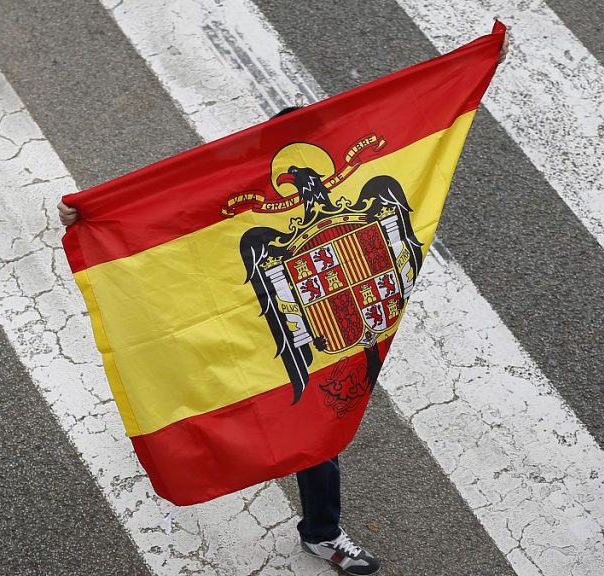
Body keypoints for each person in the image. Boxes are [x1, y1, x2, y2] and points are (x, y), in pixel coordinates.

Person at [57, 32, 510, 575]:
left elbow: (421, 111)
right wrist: (91, 219)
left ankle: (320, 532)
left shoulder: (363, 174)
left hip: (346, 318)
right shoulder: (234, 199)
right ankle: (321, 534)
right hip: (276, 326)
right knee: (306, 430)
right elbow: (165, 212)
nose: (309, 182)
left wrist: (480, 64)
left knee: (317, 436)